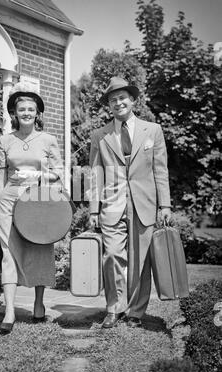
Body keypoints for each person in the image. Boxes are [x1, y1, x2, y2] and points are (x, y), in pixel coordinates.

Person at [89, 76, 172, 329]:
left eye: (122, 98)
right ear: (109, 105)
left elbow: (160, 171)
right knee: (112, 255)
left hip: (144, 204)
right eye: (113, 100)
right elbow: (95, 174)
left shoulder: (153, 130)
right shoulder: (99, 135)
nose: (118, 103)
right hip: (112, 204)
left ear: (133, 100)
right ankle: (114, 308)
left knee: (141, 260)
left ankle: (135, 312)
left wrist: (165, 205)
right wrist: (94, 209)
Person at [0, 82, 63, 333]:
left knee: (40, 249)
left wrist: (39, 174)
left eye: (31, 109)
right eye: (22, 109)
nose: (26, 113)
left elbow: (59, 174)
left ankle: (39, 305)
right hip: (9, 201)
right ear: (14, 114)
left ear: (37, 113)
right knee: (9, 253)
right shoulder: (5, 140)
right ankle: (9, 311)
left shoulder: (49, 139)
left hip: (38, 201)